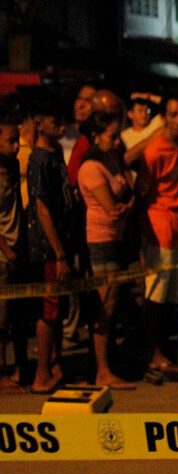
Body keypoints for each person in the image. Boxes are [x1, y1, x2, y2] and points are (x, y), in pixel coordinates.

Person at [77, 113, 136, 390]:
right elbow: (113, 210)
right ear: (96, 136)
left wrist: (128, 204)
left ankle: (105, 365)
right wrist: (129, 204)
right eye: (112, 136)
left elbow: (126, 199)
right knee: (105, 304)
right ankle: (102, 370)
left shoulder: (112, 160)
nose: (117, 141)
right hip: (101, 239)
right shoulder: (90, 167)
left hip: (116, 238)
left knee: (113, 303)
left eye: (118, 135)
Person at [135, 94, 178, 376]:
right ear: (165, 118)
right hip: (160, 227)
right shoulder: (155, 151)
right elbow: (143, 195)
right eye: (173, 114)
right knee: (155, 295)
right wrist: (147, 238)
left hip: (177, 226)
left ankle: (163, 352)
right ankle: (152, 353)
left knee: (169, 296)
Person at [26, 97, 79, 393]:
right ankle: (41, 373)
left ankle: (54, 365)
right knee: (48, 310)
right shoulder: (39, 159)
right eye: (54, 119)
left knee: (57, 308)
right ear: (39, 122)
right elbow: (42, 207)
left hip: (62, 244)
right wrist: (58, 253)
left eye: (63, 119)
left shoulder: (56, 151)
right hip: (49, 249)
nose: (61, 125)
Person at [0, 112, 27, 394]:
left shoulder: (12, 164)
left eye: (17, 140)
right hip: (3, 255)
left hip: (14, 252)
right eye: (10, 141)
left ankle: (14, 368)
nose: (17, 145)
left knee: (11, 317)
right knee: (1, 320)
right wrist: (7, 250)